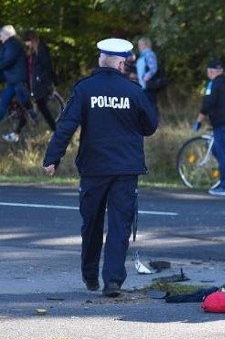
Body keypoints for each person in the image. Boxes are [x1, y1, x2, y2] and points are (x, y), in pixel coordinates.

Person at [42, 38, 158, 297]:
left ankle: (90, 275)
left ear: (100, 60)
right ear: (120, 63)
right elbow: (150, 126)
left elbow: (66, 125)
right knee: (120, 224)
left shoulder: (85, 89)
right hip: (126, 169)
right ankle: (113, 281)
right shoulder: (133, 91)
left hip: (94, 168)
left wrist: (53, 158)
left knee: (91, 223)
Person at [192, 58, 225, 196]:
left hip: (221, 124)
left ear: (211, 72)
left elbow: (207, 103)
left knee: (222, 153)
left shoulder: (213, 84)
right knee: (216, 150)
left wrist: (199, 121)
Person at [0, 25, 38, 142]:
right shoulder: (8, 45)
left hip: (18, 80)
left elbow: (7, 61)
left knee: (25, 103)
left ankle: (34, 117)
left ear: (7, 34)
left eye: (1, 34)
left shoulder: (13, 45)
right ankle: (29, 118)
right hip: (13, 80)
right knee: (4, 102)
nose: (0, 37)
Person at [22, 29, 59, 132]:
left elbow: (47, 67)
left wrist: (40, 78)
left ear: (31, 40)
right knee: (39, 107)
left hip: (40, 83)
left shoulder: (41, 50)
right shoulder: (32, 51)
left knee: (40, 107)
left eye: (27, 41)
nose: (26, 43)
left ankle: (17, 131)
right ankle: (55, 130)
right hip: (33, 82)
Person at [136, 36, 159, 116]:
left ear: (145, 45)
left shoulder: (149, 54)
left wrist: (145, 78)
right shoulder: (142, 56)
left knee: (151, 105)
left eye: (140, 45)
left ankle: (155, 123)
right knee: (145, 105)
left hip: (148, 85)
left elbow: (153, 68)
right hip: (143, 85)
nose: (139, 47)